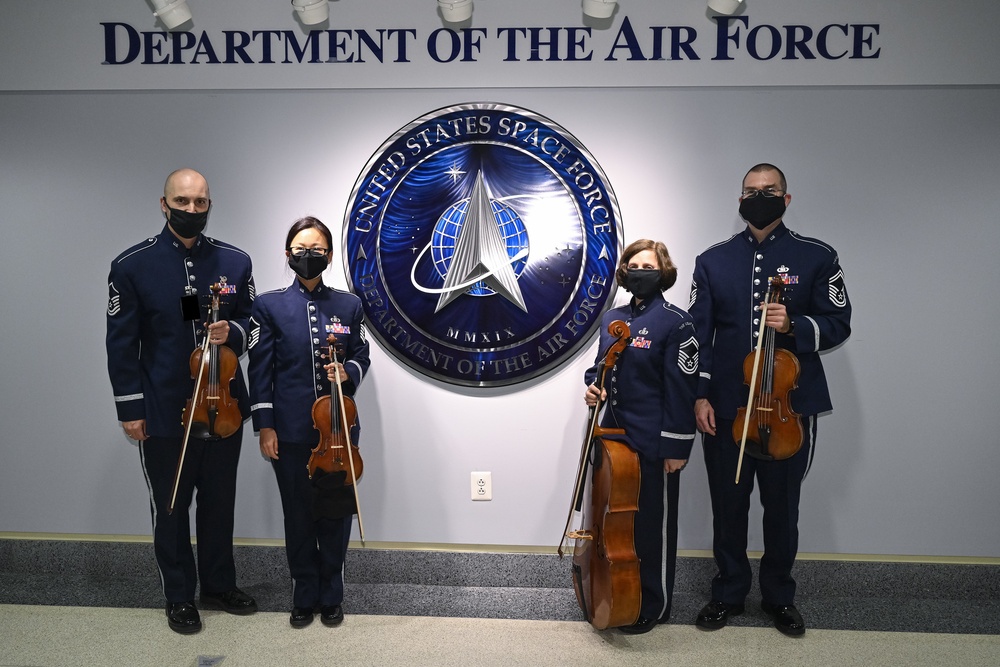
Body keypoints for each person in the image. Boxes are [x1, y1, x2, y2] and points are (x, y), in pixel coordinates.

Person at [688, 163, 852, 637]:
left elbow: (839, 322)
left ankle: (779, 596)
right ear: (739, 199)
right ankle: (728, 592)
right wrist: (700, 395)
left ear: (787, 198)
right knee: (728, 504)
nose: (759, 197)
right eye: (750, 191)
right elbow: (698, 333)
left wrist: (795, 326)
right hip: (727, 404)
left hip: (788, 407)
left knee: (782, 508)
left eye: (770, 190)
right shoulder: (712, 260)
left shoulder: (816, 256)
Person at [106, 168, 258, 634]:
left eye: (200, 203)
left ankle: (217, 583)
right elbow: (120, 344)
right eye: (182, 202)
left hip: (224, 409)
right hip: (164, 410)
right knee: (171, 507)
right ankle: (178, 594)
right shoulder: (132, 265)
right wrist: (131, 409)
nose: (192, 210)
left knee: (219, 502)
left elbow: (255, 325)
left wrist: (232, 331)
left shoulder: (236, 262)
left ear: (210, 205)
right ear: (164, 203)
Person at [248, 216, 371, 629]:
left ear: (330, 255)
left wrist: (348, 372)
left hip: (338, 433)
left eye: (317, 250)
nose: (308, 256)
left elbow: (361, 354)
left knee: (335, 515)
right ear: (287, 255)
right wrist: (265, 425)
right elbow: (260, 371)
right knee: (298, 514)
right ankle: (303, 594)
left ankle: (331, 595)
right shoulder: (268, 305)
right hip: (291, 432)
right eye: (300, 250)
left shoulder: (349, 305)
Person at [583, 238, 699, 634]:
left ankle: (654, 604)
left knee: (652, 528)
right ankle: (616, 591)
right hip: (614, 439)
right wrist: (592, 385)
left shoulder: (677, 322)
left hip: (653, 441)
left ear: (663, 272)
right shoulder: (612, 317)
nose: (640, 271)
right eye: (633, 264)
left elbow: (682, 390)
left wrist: (677, 447)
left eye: (648, 265)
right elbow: (600, 367)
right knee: (616, 525)